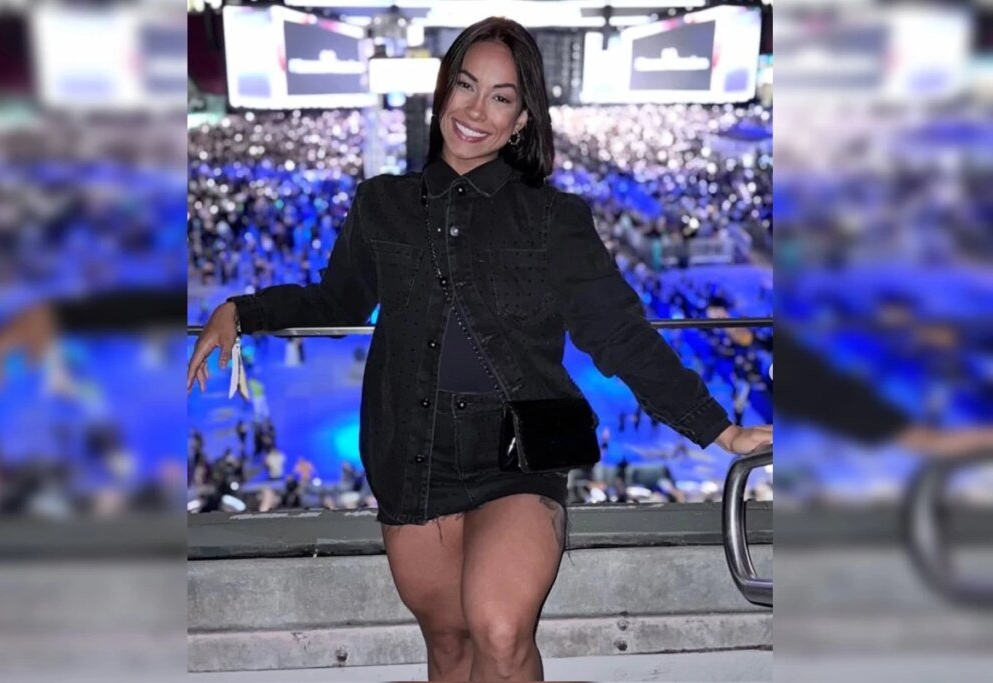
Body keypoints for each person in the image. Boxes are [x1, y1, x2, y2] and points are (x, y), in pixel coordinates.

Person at [186, 17, 771, 682]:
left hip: (519, 455)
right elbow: (338, 300)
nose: (475, 110)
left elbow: (620, 334)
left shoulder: (555, 220)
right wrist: (243, 310)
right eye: (466, 86)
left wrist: (718, 429)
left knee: (499, 628)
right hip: (414, 454)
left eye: (501, 97)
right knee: (449, 643)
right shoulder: (381, 204)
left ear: (522, 120)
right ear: (443, 90)